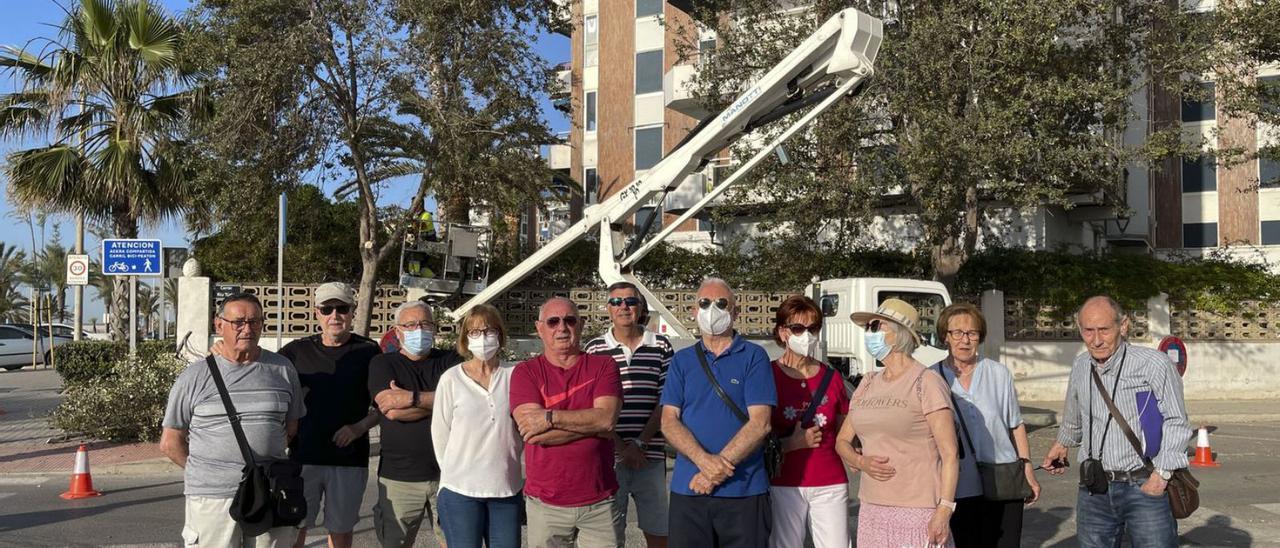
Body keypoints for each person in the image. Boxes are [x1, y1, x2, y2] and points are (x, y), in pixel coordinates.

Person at [1041, 296, 1192, 548]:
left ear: (1123, 326)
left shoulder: (1152, 364)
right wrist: (1062, 444)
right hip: (1094, 489)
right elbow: (1074, 414)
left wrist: (1161, 475)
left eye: (1104, 330)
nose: (1096, 340)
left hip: (1144, 485)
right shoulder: (1080, 366)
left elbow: (1176, 421)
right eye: (1088, 331)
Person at [160, 293, 305, 547]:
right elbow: (171, 443)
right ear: (219, 325)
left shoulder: (282, 369)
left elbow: (291, 429)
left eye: (254, 322)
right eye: (238, 322)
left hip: (271, 492)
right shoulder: (194, 377)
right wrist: (206, 473)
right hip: (213, 498)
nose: (247, 329)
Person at [834, 298, 959, 548]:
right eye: (868, 327)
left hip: (918, 509)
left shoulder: (926, 382)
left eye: (876, 326)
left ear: (900, 333)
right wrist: (859, 461)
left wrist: (944, 510)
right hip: (873, 507)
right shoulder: (867, 383)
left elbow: (950, 454)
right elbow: (842, 441)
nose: (869, 333)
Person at [661, 278, 776, 548]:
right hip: (689, 490)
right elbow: (668, 421)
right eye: (705, 303)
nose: (712, 309)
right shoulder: (682, 360)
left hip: (744, 491)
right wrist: (704, 462)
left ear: (735, 313)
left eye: (722, 303)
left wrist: (713, 471)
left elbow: (760, 424)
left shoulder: (754, 356)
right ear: (694, 310)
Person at [509, 297, 624, 547]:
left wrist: (550, 417)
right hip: (545, 506)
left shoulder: (603, 366)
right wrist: (592, 425)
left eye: (569, 320)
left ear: (581, 325)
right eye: (553, 321)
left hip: (599, 504)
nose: (562, 328)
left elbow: (606, 420)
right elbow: (532, 433)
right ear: (540, 328)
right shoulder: (525, 372)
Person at [279, 283, 381, 548]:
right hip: (304, 459)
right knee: (296, 529)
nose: (334, 315)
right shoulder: (295, 352)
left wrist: (359, 428)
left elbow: (385, 403)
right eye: (327, 309)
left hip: (349, 461)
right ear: (316, 313)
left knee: (341, 531)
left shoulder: (369, 351)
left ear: (352, 312)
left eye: (342, 308)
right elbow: (262, 374)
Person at [931, 303, 1040, 548]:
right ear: (945, 337)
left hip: (1002, 480)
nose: (965, 340)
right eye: (956, 332)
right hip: (956, 485)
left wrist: (1027, 469)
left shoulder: (998, 374)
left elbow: (1016, 424)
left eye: (972, 333)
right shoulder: (932, 377)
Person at [584, 282, 673, 548]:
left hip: (651, 455)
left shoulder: (661, 346)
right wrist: (621, 447)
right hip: (609, 457)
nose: (624, 307)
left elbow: (665, 399)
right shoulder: (595, 350)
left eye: (630, 301)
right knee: (609, 535)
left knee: (659, 531)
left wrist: (640, 443)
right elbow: (592, 408)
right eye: (616, 302)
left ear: (641, 307)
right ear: (608, 309)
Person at [368, 301, 463, 548]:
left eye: (425, 324)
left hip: (449, 475)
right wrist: (441, 402)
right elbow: (390, 411)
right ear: (397, 331)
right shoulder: (383, 364)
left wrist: (410, 398)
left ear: (434, 328)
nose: (418, 330)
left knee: (455, 542)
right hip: (399, 478)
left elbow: (462, 401)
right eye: (410, 325)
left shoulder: (452, 360)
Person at [431, 304, 524, 548]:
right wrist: (459, 471)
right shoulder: (451, 379)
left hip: (506, 490)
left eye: (489, 330)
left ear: (500, 335)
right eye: (474, 332)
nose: (482, 337)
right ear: (465, 338)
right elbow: (440, 435)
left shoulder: (516, 375)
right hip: (460, 492)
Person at [767, 295, 850, 548]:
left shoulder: (833, 377)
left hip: (830, 480)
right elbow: (756, 432)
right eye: (798, 328)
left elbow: (845, 427)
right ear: (783, 333)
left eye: (813, 328)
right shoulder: (767, 375)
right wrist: (791, 444)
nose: (807, 335)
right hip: (784, 481)